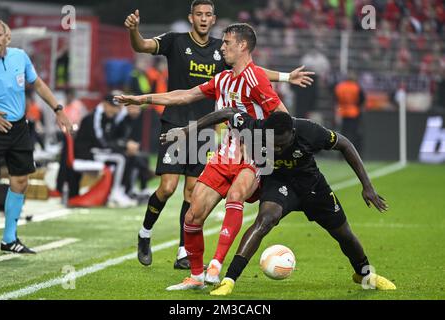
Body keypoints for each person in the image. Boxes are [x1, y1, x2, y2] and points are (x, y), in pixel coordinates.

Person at [116, 22, 314, 290]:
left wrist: (273, 148)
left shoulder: (256, 79)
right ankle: (196, 276)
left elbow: (282, 118)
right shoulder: (223, 79)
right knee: (192, 215)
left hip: (253, 154)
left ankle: (216, 266)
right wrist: (142, 99)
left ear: (242, 46)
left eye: (226, 43)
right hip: (224, 155)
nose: (221, 48)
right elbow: (185, 95)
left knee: (235, 197)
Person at [166, 108, 396, 295]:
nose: (277, 148)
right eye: (273, 144)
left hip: (312, 185)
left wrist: (367, 186)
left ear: (293, 134)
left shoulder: (309, 131)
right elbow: (226, 113)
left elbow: (345, 144)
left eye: (283, 144)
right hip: (278, 182)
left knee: (343, 233)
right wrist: (189, 129)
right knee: (264, 221)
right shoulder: (255, 127)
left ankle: (365, 274)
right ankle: (229, 280)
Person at [0, 19, 72, 253]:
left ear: (7, 37)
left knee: (20, 180)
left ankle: (9, 239)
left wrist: (58, 109)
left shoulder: (20, 56)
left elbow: (38, 84)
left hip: (18, 128)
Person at [73, 91, 137, 208]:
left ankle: (121, 191)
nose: (115, 110)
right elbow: (100, 141)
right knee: (120, 158)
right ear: (104, 104)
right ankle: (115, 193)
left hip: (97, 151)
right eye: (112, 107)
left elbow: (109, 140)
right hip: (87, 153)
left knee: (126, 156)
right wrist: (122, 145)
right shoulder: (94, 117)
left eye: (117, 108)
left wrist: (123, 145)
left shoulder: (108, 117)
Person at [334, 73, 366, 153]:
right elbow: (362, 100)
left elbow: (335, 100)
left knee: (342, 134)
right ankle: (353, 152)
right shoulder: (356, 87)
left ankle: (341, 154)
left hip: (342, 112)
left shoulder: (340, 87)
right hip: (354, 112)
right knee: (353, 134)